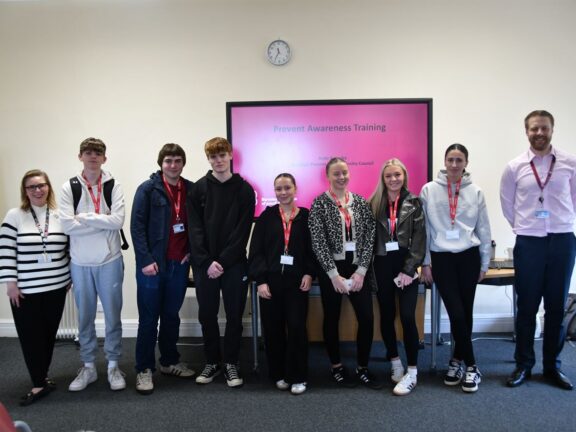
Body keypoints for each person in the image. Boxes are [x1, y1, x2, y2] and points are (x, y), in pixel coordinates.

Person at [500, 110, 576, 390]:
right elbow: (508, 205)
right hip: (529, 242)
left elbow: (574, 198)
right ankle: (524, 365)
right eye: (534, 129)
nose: (539, 133)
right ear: (527, 131)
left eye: (544, 128)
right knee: (527, 308)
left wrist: (558, 222)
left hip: (562, 240)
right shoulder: (515, 166)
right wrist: (527, 226)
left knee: (556, 307)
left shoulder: (569, 162)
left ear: (552, 130)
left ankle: (552, 368)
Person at [420, 143, 491, 393]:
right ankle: (472, 365)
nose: (453, 164)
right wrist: (426, 262)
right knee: (457, 313)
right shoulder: (428, 190)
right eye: (450, 159)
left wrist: (485, 262)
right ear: (444, 161)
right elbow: (425, 230)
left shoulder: (476, 192)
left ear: (466, 163)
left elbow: (483, 229)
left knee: (466, 312)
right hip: (442, 259)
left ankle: (456, 361)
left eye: (459, 160)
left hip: (468, 257)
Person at [59, 137, 126, 392]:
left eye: (97, 153)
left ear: (104, 158)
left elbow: (118, 221)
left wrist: (84, 218)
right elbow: (67, 226)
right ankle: (88, 366)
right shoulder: (70, 187)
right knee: (85, 317)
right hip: (80, 263)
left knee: (112, 317)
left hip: (110, 260)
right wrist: (102, 221)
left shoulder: (113, 185)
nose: (93, 157)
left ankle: (112, 366)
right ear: (80, 157)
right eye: (87, 153)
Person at [188, 137, 255, 388]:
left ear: (230, 156)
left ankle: (231, 363)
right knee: (207, 314)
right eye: (213, 157)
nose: (218, 161)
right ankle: (212, 361)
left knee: (235, 315)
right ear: (209, 159)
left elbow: (242, 231)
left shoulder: (245, 190)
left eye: (222, 155)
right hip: (205, 264)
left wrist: (223, 261)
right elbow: (194, 229)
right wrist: (207, 262)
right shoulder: (198, 189)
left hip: (234, 264)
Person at [0, 170, 71, 406]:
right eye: (32, 187)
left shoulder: (60, 215)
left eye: (41, 185)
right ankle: (38, 383)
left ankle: (42, 377)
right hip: (26, 290)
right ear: (25, 191)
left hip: (56, 286)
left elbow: (70, 248)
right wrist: (10, 283)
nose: (37, 190)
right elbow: (6, 251)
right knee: (31, 337)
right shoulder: (15, 215)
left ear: (48, 187)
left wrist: (70, 275)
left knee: (48, 336)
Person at [130, 144, 196, 395]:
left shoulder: (190, 189)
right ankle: (144, 369)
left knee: (171, 316)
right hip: (152, 266)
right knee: (149, 319)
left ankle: (169, 361)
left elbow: (196, 224)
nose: (173, 165)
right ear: (161, 163)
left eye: (178, 160)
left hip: (179, 264)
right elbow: (136, 228)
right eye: (168, 160)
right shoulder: (147, 190)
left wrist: (190, 249)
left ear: (183, 163)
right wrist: (145, 260)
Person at [308, 157, 377, 388]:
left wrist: (361, 271)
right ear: (328, 176)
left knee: (367, 318)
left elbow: (370, 238)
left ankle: (362, 367)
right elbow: (318, 242)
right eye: (336, 173)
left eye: (344, 172)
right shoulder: (319, 204)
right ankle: (336, 366)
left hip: (358, 268)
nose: (341, 177)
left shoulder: (360, 202)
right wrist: (333, 275)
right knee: (331, 318)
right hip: (332, 271)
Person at [248, 173, 316, 395]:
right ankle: (278, 373)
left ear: (295, 189)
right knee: (273, 330)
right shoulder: (266, 217)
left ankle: (298, 376)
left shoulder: (306, 217)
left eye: (287, 187)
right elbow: (256, 252)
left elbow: (313, 250)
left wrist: (309, 273)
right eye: (279, 189)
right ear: (274, 191)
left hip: (297, 283)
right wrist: (260, 281)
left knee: (296, 328)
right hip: (270, 283)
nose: (283, 192)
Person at [369, 159, 426, 396]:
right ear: (383, 179)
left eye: (397, 175)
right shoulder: (374, 203)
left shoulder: (414, 202)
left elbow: (420, 239)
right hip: (382, 265)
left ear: (404, 176)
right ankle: (395, 362)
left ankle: (412, 371)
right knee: (387, 315)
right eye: (388, 176)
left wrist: (409, 269)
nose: (393, 180)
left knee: (406, 315)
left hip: (406, 266)